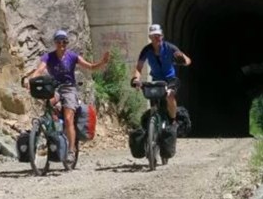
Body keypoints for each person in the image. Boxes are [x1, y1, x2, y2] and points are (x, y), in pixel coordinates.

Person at [25, 29, 110, 163]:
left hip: (70, 89)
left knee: (69, 118)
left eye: (64, 41)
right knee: (48, 105)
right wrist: (31, 80)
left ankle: (71, 150)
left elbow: (91, 67)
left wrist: (102, 62)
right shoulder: (48, 57)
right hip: (55, 88)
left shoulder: (72, 56)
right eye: (59, 41)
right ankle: (53, 132)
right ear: (55, 43)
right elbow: (39, 70)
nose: (61, 44)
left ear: (67, 43)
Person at [130, 24, 191, 129]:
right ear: (150, 37)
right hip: (156, 80)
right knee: (153, 103)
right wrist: (136, 78)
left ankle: (173, 121)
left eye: (158, 35)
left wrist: (183, 61)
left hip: (171, 79)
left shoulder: (170, 48)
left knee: (169, 95)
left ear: (162, 36)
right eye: (154, 36)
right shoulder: (146, 50)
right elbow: (139, 68)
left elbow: (188, 60)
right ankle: (154, 129)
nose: (157, 38)